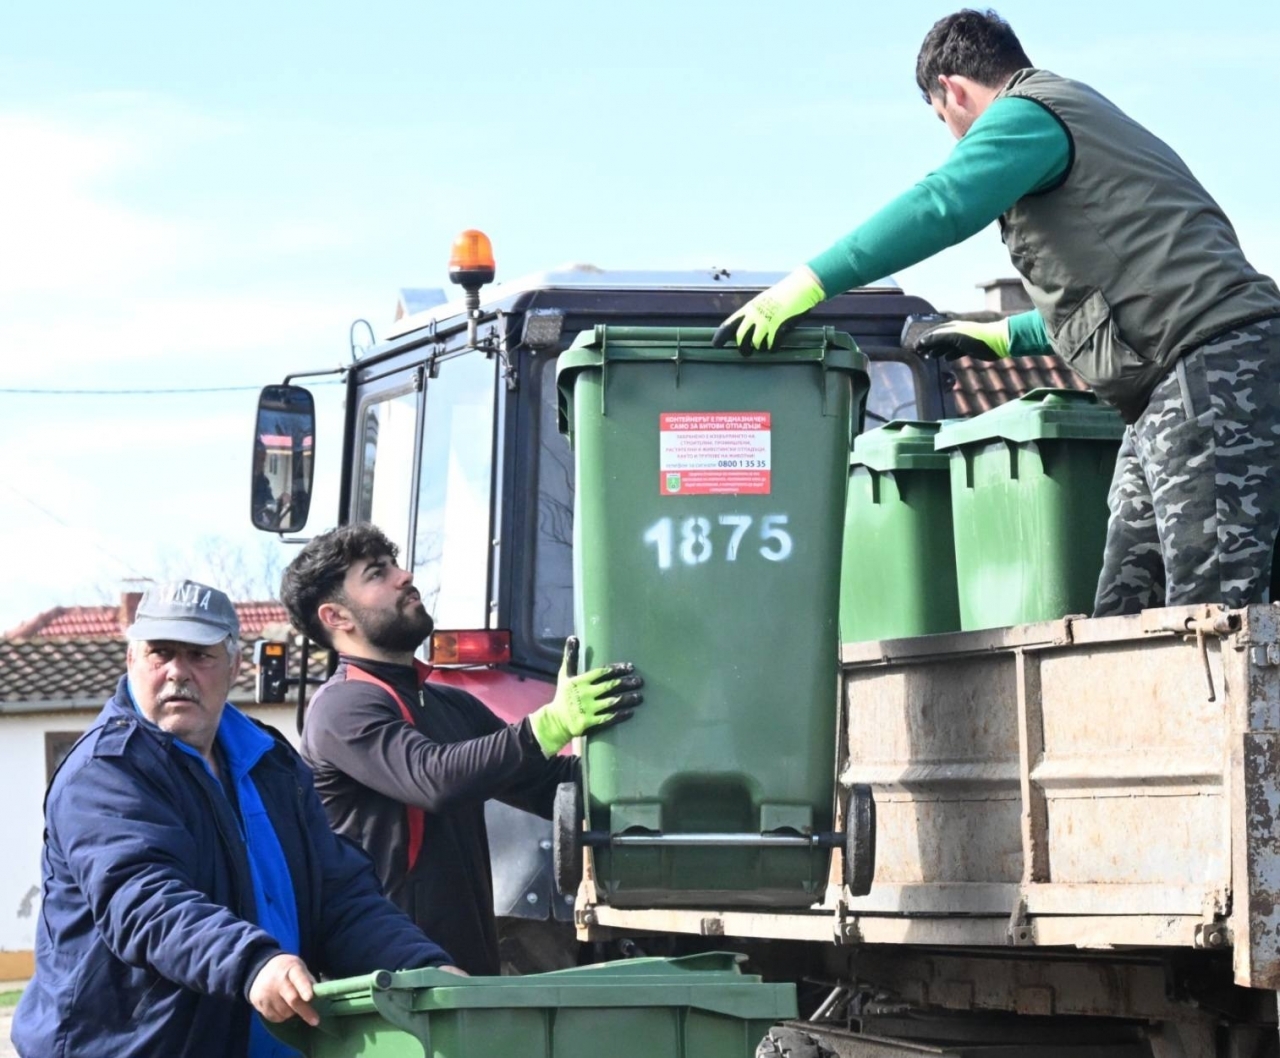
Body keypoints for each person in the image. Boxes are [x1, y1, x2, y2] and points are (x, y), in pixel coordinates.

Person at [715, 8, 1280, 618]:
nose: (956, 140)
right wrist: (1003, 337)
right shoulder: (1075, 122)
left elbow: (942, 203)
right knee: (1126, 607)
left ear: (952, 90)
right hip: (1174, 382)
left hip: (1214, 372)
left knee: (1210, 613)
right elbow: (1125, 296)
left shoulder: (1030, 113)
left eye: (944, 121)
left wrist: (807, 284)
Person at [12, 579, 461, 1058]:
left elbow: (338, 896)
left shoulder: (271, 761)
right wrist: (253, 964)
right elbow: (145, 902)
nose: (177, 672)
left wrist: (423, 969)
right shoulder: (107, 770)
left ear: (234, 664)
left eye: (199, 655)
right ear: (131, 660)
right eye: (160, 653)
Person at [278, 523, 643, 976]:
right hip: (391, 981)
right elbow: (433, 778)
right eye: (377, 573)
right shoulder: (341, 708)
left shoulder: (450, 704)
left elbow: (546, 785)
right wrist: (548, 725)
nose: (404, 576)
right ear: (336, 617)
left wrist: (651, 779)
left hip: (464, 971)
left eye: (394, 564)